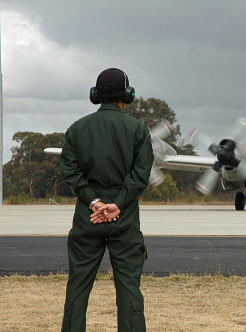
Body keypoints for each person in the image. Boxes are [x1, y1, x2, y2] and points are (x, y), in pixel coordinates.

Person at [60, 68, 154, 331]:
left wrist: (94, 202)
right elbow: (140, 174)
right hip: (124, 219)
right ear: (127, 95)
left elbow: (70, 172)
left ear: (96, 95)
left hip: (87, 217)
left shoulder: (77, 129)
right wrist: (118, 204)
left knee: (77, 288)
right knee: (129, 289)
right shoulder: (138, 130)